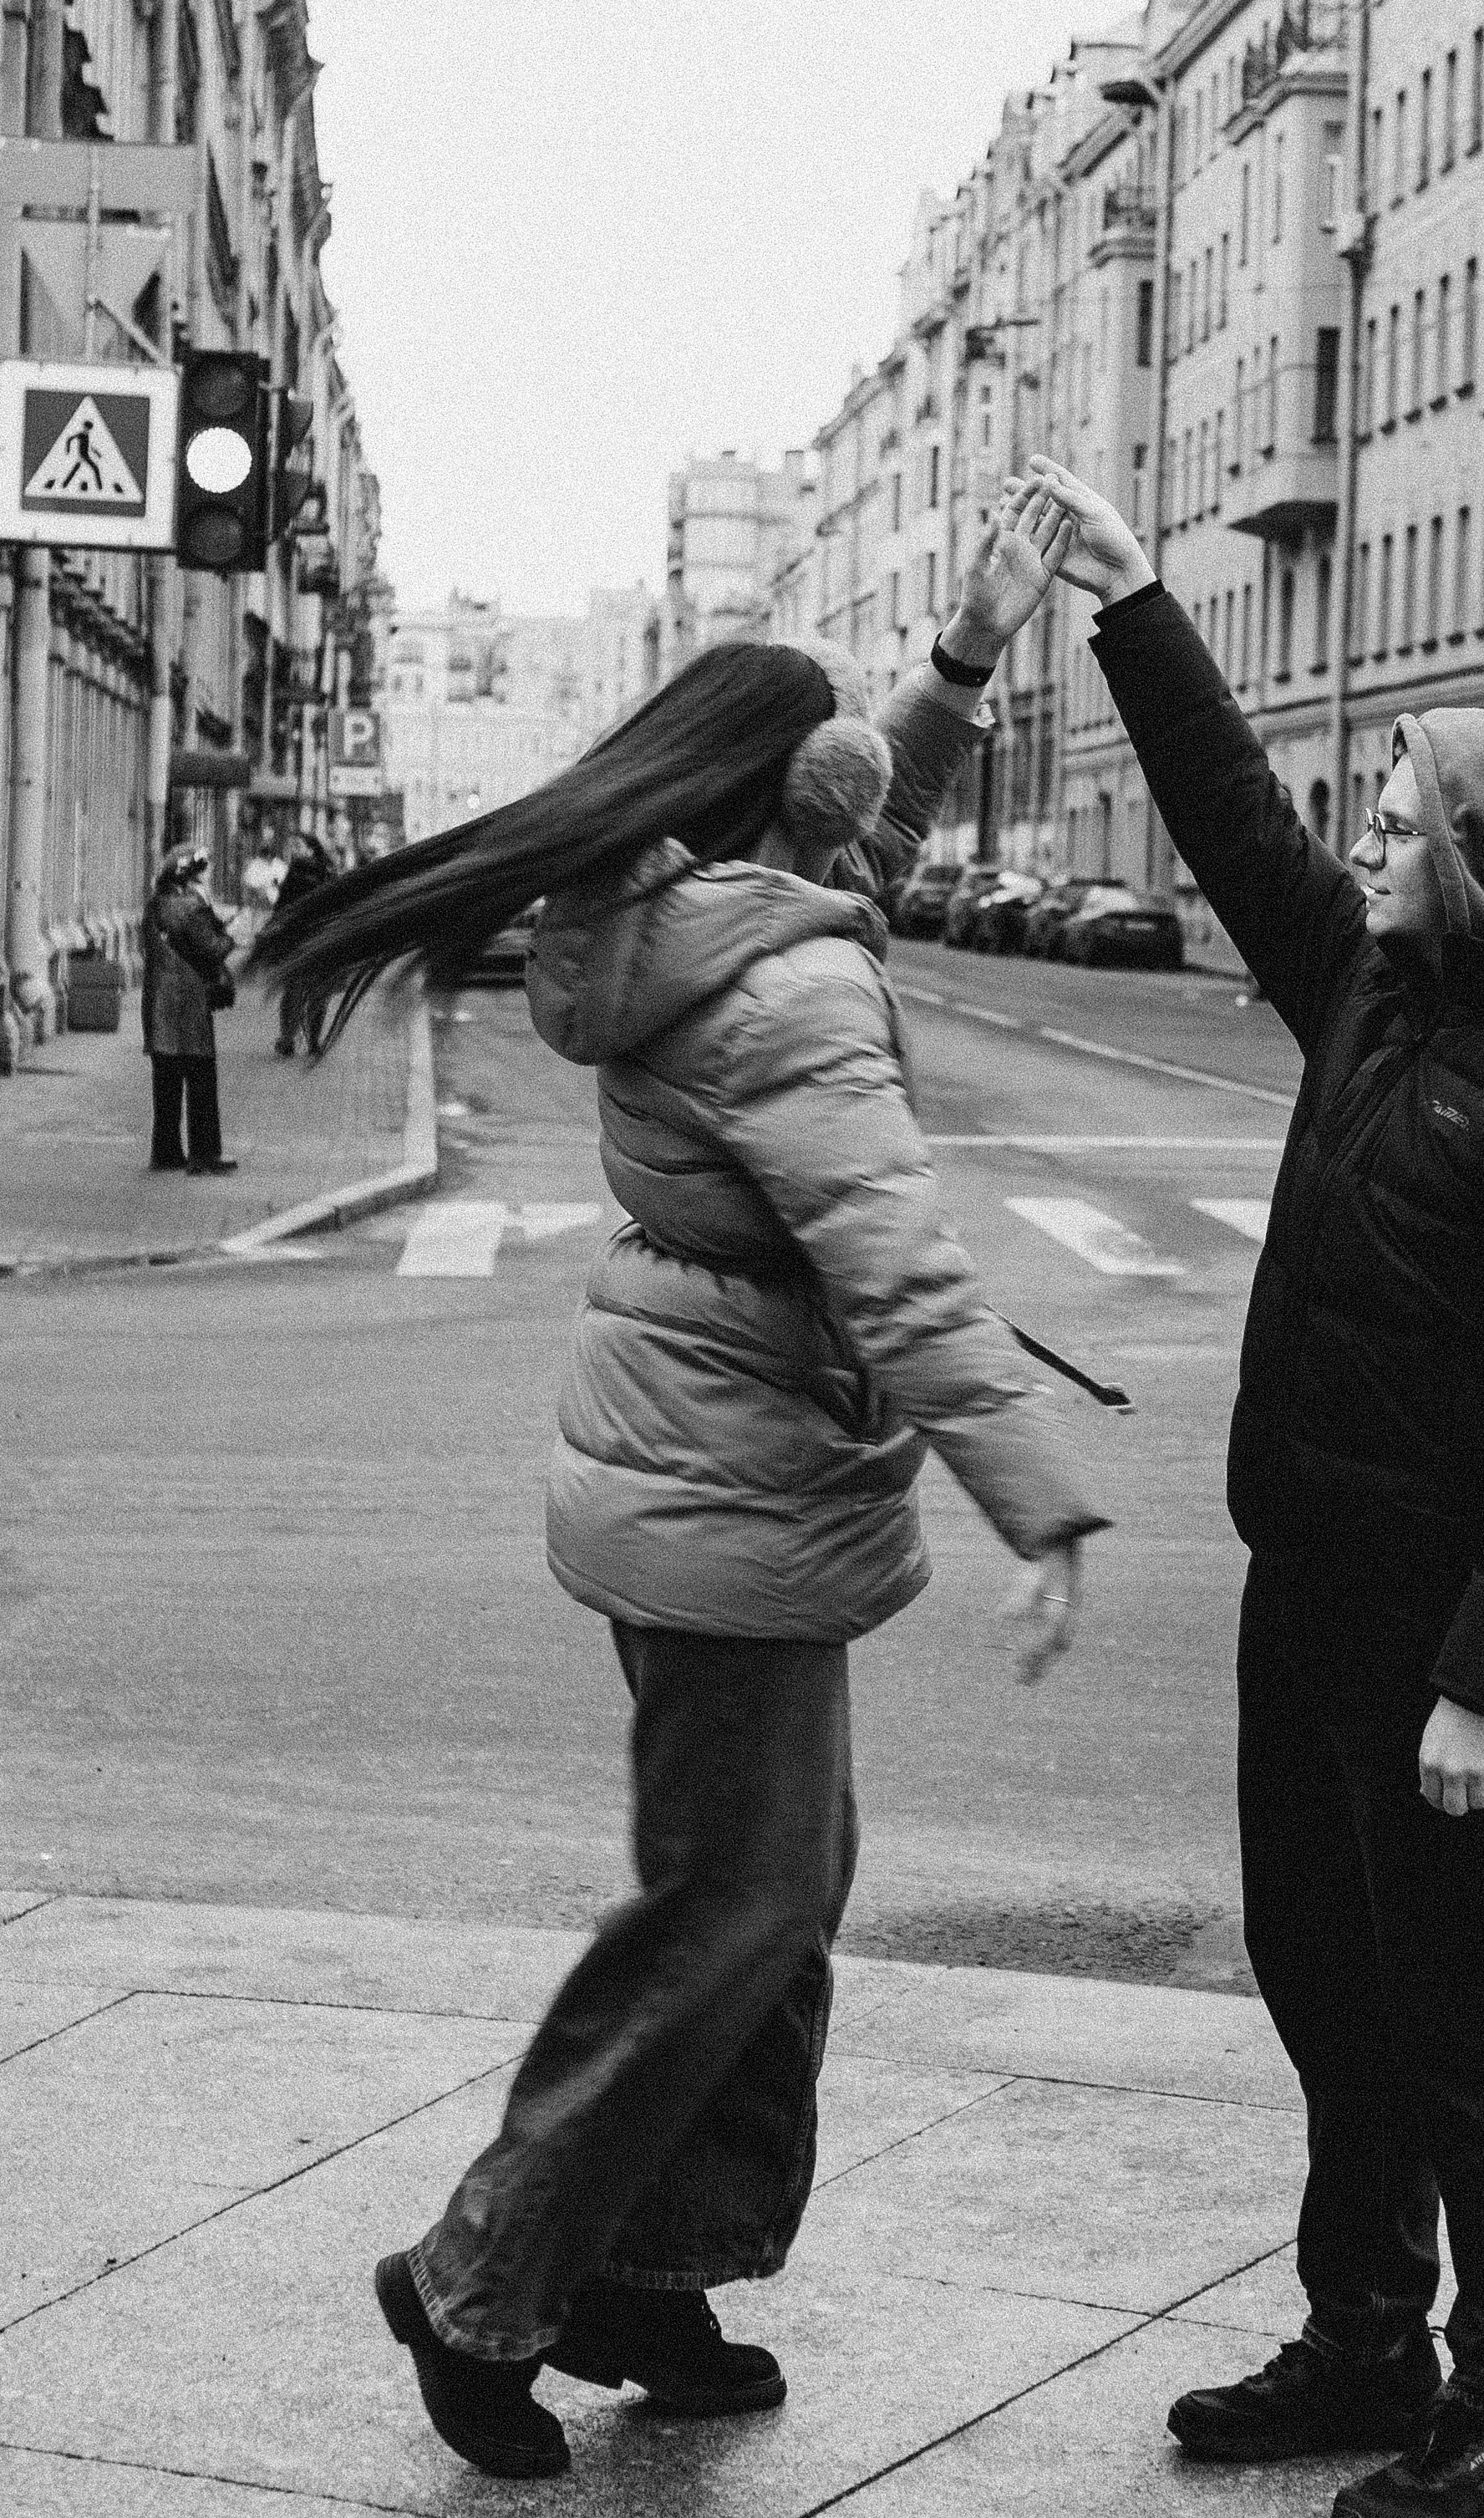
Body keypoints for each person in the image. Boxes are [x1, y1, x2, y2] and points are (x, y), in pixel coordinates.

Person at [257, 501, 1108, 2486]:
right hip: (730, 1482)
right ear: (780, 804)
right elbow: (895, 1257)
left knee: (770, 1893)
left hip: (691, 1461)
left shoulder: (694, 922)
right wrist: (1040, 1498)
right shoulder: (781, 983)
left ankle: (646, 2266)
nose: (856, 805)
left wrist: (963, 663)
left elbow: (854, 842)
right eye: (830, 772)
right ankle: (480, 2278)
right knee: (725, 1907)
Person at [1018, 458, 1484, 2518]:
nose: (1365, 843)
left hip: (1445, 1651)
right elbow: (1235, 830)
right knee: (1325, 1978)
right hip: (1301, 1589)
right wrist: (1134, 601)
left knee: (1475, 2030)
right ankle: (1356, 2339)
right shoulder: (1377, 1000)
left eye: (1399, 822)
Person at [142, 845, 237, 1176]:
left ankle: (166, 1152)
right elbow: (212, 950)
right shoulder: (192, 908)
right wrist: (231, 936)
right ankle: (205, 1156)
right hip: (189, 1006)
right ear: (190, 878)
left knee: (166, 1081)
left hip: (158, 1005)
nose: (207, 877)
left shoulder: (155, 905)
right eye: (204, 872)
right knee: (201, 1080)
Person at [271, 834, 333, 1055]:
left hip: (299, 940)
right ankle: (312, 1041)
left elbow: (282, 908)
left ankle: (288, 1039)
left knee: (295, 992)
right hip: (319, 940)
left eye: (298, 845)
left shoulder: (298, 873)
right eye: (292, 845)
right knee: (316, 992)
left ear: (311, 849)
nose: (293, 849)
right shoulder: (328, 872)